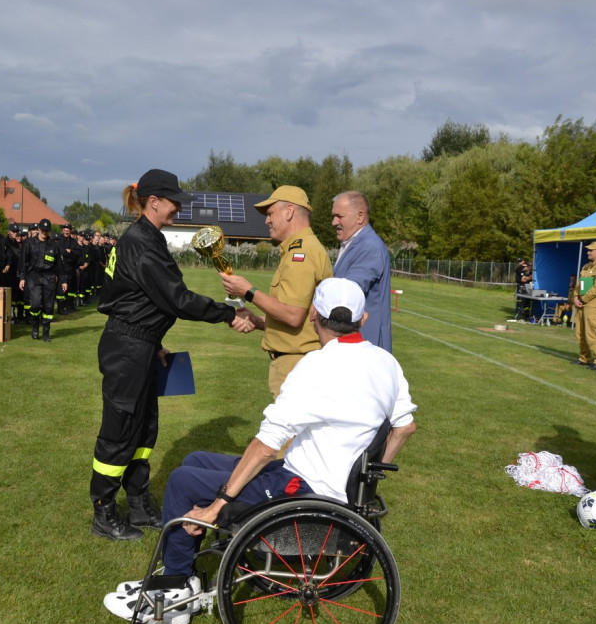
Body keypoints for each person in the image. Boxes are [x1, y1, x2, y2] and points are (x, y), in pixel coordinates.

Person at [102, 277, 416, 624]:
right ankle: (181, 569)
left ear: (314, 315)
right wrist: (368, 483)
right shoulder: (387, 363)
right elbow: (405, 427)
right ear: (363, 320)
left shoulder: (316, 367)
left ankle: (176, 588)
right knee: (196, 460)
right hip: (334, 487)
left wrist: (218, 504)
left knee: (181, 480)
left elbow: (266, 446)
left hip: (306, 489)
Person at [90, 168, 251, 542]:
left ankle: (139, 504)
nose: (179, 208)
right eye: (174, 202)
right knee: (120, 431)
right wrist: (229, 314)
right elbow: (177, 299)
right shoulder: (142, 241)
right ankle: (103, 512)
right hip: (127, 349)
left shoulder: (149, 238)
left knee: (144, 430)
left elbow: (140, 298)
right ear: (153, 202)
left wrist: (154, 341)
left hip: (142, 345)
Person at [221, 185, 333, 398]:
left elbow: (292, 315)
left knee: (292, 431)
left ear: (289, 211)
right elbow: (295, 314)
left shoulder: (301, 253)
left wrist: (248, 291)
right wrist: (257, 321)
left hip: (296, 364)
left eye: (270, 213)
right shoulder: (298, 249)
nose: (266, 221)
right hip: (296, 361)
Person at [330, 190, 393, 352]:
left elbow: (347, 293)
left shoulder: (369, 246)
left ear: (359, 217)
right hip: (353, 343)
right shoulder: (353, 243)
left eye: (339, 216)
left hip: (365, 344)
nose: (333, 222)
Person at [17, 218, 65, 342]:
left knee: (48, 307)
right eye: (42, 230)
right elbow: (23, 261)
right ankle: (34, 327)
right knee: (36, 303)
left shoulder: (54, 246)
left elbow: (59, 265)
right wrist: (22, 277)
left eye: (47, 230)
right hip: (34, 277)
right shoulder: (29, 243)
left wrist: (63, 280)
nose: (44, 232)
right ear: (38, 229)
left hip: (49, 278)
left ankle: (46, 331)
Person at [571, 241, 596, 370]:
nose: (588, 252)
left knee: (591, 333)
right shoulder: (586, 267)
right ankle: (584, 357)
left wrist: (583, 299)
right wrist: (576, 297)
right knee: (580, 333)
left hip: (592, 305)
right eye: (588, 250)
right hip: (581, 303)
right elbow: (578, 284)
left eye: (591, 250)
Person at [513, 257, 533, 321]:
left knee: (527, 302)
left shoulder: (530, 270)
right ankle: (523, 313)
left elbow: (525, 279)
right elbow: (522, 279)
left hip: (528, 288)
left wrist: (528, 277)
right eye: (518, 261)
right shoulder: (519, 268)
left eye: (520, 261)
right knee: (522, 302)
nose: (519, 263)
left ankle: (526, 314)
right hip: (522, 287)